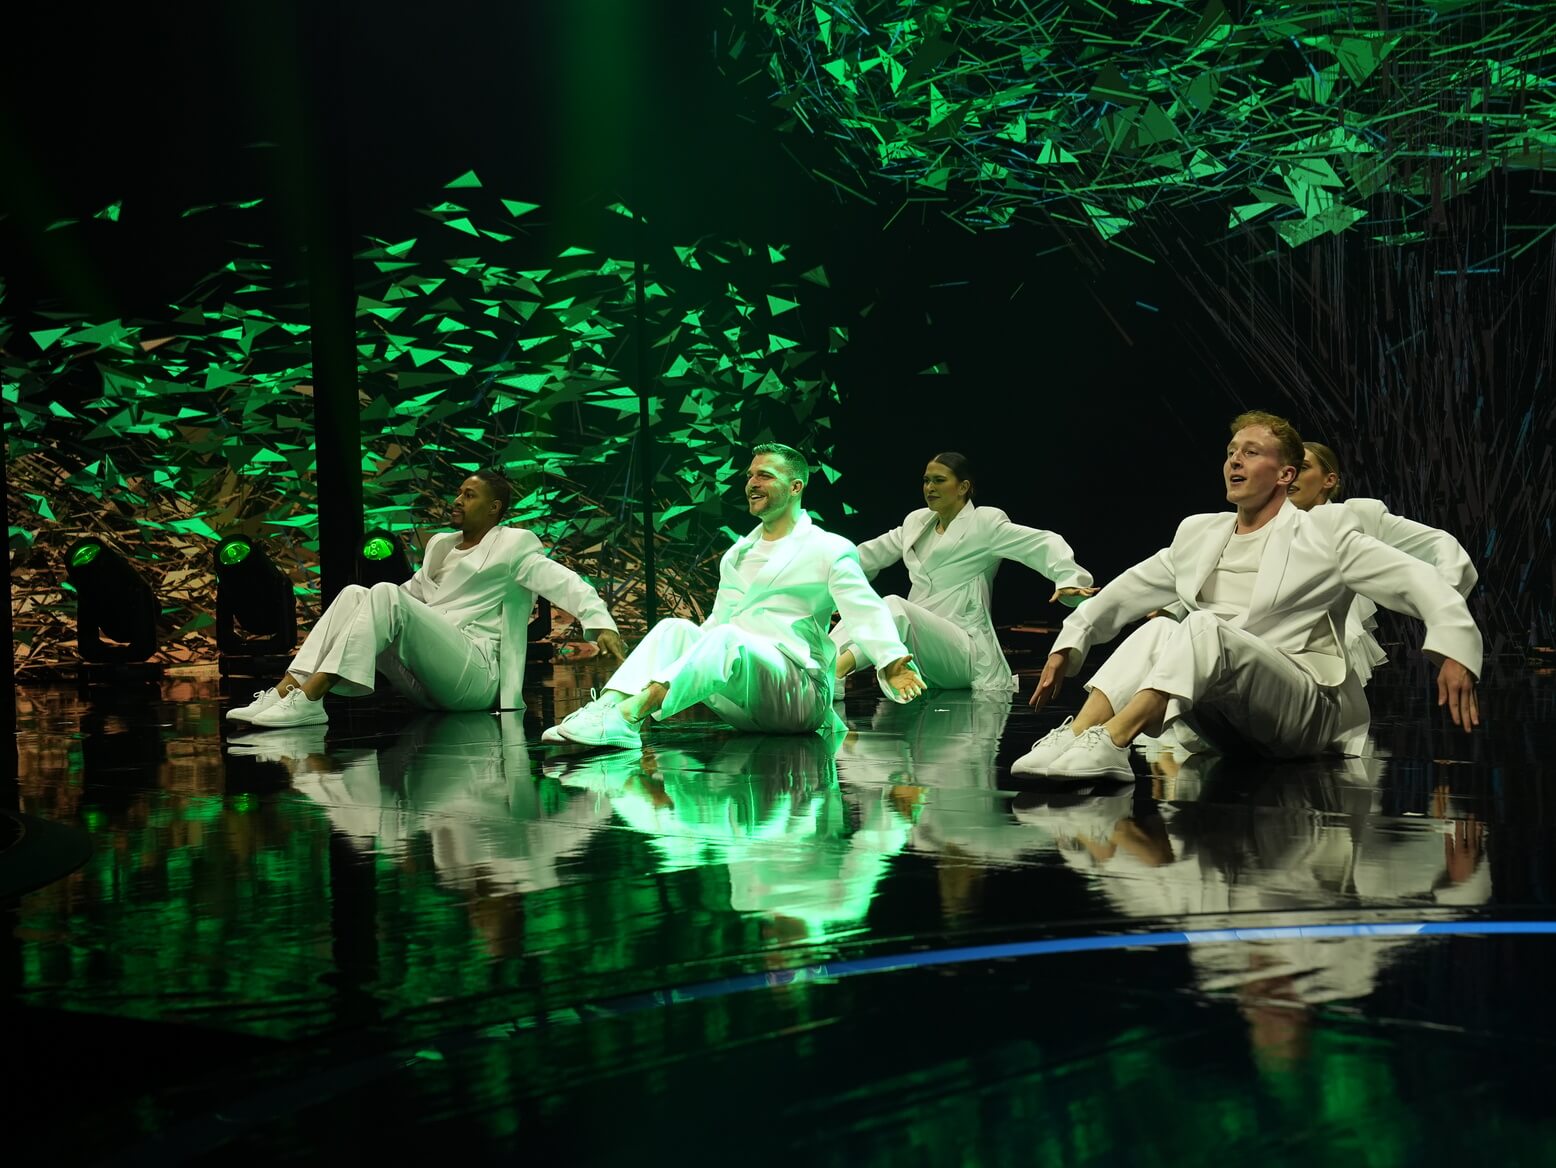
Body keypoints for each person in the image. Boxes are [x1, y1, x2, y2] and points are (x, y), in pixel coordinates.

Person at [1011, 410, 1482, 779]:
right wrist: (1071, 641)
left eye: (1252, 452)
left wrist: (1453, 647)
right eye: (1231, 450)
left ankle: (1114, 741)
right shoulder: (1199, 533)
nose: (1235, 459)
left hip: (1303, 708)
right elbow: (1125, 592)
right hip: (1229, 719)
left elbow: (1415, 580)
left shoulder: (1326, 531)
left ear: (1285, 475)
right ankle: (1077, 735)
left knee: (1199, 624)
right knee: (1158, 630)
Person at [543, 443, 924, 750]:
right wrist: (689, 653)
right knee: (674, 629)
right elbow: (718, 623)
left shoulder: (828, 548)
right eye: (750, 475)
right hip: (746, 699)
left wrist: (890, 660)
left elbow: (866, 610)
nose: (752, 483)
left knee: (728, 640)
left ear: (796, 487)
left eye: (765, 475)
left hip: (797, 694)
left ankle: (629, 716)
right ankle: (605, 711)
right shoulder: (737, 553)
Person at [227, 469, 627, 728]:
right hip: (429, 679)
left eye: (468, 495)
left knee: (380, 593)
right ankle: (285, 693)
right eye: (458, 492)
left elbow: (567, 582)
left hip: (476, 675)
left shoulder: (513, 546)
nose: (456, 500)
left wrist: (601, 623)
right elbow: (404, 600)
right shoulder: (440, 546)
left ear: (494, 508)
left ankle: (312, 698)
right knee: (354, 594)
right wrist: (367, 609)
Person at [831, 452, 1096, 691]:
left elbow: (1042, 543)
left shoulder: (984, 524)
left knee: (893, 607)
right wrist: (824, 579)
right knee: (863, 608)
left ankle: (835, 672)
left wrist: (1068, 578)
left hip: (963, 650)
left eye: (939, 480)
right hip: (913, 645)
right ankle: (812, 671)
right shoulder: (916, 523)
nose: (930, 488)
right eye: (926, 481)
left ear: (963, 487)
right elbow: (866, 556)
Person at [1288, 441, 1478, 686]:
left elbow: (1440, 543)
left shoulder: (1357, 515)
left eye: (1302, 467)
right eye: (1288, 468)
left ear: (1329, 480)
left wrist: (1442, 596)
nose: (1292, 475)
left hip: (1332, 637)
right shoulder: (1268, 523)